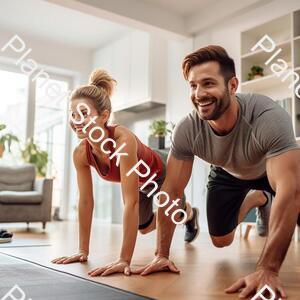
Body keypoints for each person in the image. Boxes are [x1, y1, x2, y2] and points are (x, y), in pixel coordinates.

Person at [133, 45, 300, 298]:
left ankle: (263, 194)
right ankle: (258, 198)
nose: (199, 94)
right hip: (227, 172)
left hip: (269, 166)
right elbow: (171, 191)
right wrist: (161, 255)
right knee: (221, 240)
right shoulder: (187, 129)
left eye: (208, 83)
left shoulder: (268, 117)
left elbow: (291, 190)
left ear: (232, 86)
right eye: (193, 85)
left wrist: (268, 269)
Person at [51, 69, 199, 276]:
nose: (76, 120)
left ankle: (188, 213)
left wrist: (124, 260)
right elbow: (85, 201)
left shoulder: (123, 141)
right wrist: (82, 251)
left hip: (161, 173)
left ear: (104, 117)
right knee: (144, 227)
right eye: (73, 114)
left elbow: (131, 203)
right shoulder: (81, 154)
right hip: (141, 182)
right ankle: (185, 212)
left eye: (84, 114)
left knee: (172, 213)